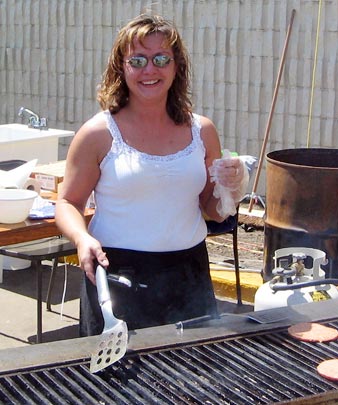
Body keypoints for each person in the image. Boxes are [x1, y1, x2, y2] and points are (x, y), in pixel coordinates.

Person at [55, 13, 246, 336]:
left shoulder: (203, 130)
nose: (150, 70)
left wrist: (231, 189)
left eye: (161, 59)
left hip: (189, 274)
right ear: (121, 67)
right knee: (116, 384)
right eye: (138, 60)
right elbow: (68, 202)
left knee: (193, 376)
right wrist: (82, 238)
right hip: (117, 274)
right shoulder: (98, 133)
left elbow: (212, 211)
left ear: (176, 67)